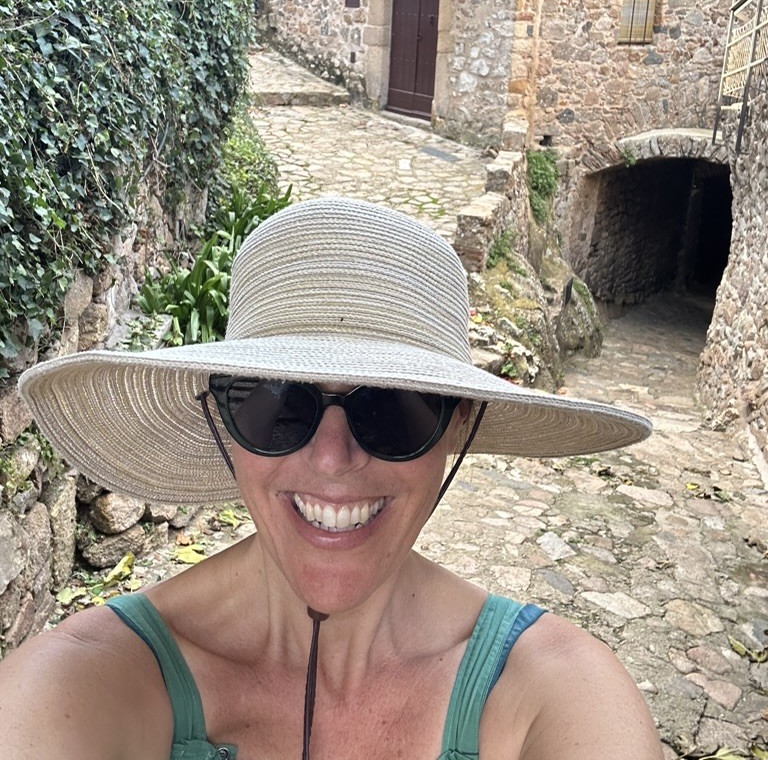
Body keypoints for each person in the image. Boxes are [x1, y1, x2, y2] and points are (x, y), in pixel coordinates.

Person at [1, 196, 662, 759]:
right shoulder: (78, 689)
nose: (331, 458)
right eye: (276, 402)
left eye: (394, 405)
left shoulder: (560, 695)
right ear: (223, 421)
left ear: (459, 425)